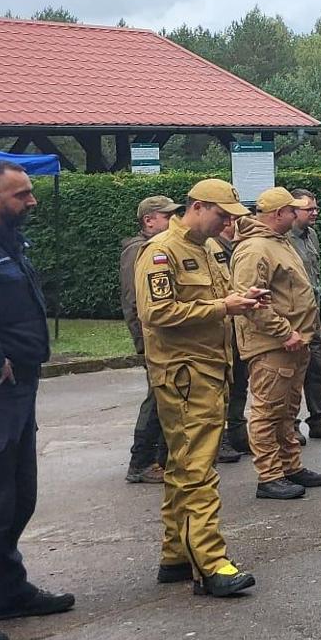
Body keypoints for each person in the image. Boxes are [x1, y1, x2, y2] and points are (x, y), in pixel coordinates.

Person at [135, 178, 268, 597]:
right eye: (222, 214)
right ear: (196, 207)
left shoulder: (206, 249)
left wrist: (243, 297)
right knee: (198, 469)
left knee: (182, 465)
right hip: (185, 375)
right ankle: (210, 563)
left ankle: (176, 554)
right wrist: (222, 307)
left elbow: (221, 294)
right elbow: (156, 313)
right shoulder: (161, 252)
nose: (227, 223)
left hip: (208, 370)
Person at [0, 160, 76, 640]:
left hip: (16, 389)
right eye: (22, 195)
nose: (32, 201)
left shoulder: (4, 238)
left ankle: (6, 590)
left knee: (17, 495)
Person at [232, 188, 321, 500]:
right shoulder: (254, 249)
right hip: (273, 345)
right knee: (267, 411)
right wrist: (284, 332)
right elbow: (251, 301)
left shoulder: (278, 243)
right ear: (277, 214)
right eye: (291, 210)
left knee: (287, 410)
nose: (297, 214)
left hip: (295, 342)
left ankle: (290, 466)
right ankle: (269, 475)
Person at [122, 195, 179, 484]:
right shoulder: (139, 251)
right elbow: (135, 302)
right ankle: (140, 461)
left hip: (162, 340)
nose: (173, 221)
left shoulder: (164, 247)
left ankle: (159, 458)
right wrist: (142, 342)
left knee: (164, 397)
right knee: (157, 398)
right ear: (149, 220)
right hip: (151, 339)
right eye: (167, 216)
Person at [290, 189, 321, 441]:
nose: (315, 213)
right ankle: (291, 424)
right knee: (292, 373)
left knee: (315, 369)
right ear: (293, 211)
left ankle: (318, 419)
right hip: (292, 317)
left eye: (316, 208)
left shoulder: (312, 236)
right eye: (309, 209)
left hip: (312, 315)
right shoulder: (283, 239)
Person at [212, 214, 252, 465]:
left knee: (239, 382)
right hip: (221, 325)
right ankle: (221, 438)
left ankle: (237, 432)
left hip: (237, 326)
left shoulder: (236, 247)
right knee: (222, 387)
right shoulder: (213, 247)